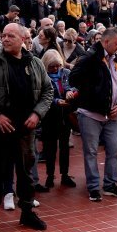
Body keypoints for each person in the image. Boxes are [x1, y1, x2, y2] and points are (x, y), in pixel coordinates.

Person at [0, 23, 52, 232]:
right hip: (2, 128)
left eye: (10, 36)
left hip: (26, 128)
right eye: (3, 35)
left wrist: (37, 114)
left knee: (26, 172)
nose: (5, 39)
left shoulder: (35, 63)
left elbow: (47, 91)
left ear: (24, 39)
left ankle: (27, 211)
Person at [69, 28, 117, 201]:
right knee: (91, 151)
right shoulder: (90, 58)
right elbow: (74, 79)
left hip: (111, 114)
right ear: (106, 42)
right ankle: (93, 187)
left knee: (114, 149)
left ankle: (110, 184)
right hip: (90, 113)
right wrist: (94, 92)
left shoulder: (115, 59)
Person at [39, 50, 77, 189]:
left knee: (64, 146)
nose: (55, 69)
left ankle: (65, 175)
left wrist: (70, 91)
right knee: (50, 147)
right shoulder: (42, 76)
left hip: (65, 115)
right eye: (52, 66)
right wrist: (55, 101)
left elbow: (73, 86)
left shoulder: (66, 73)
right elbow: (41, 95)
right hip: (49, 116)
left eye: (58, 66)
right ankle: (50, 175)